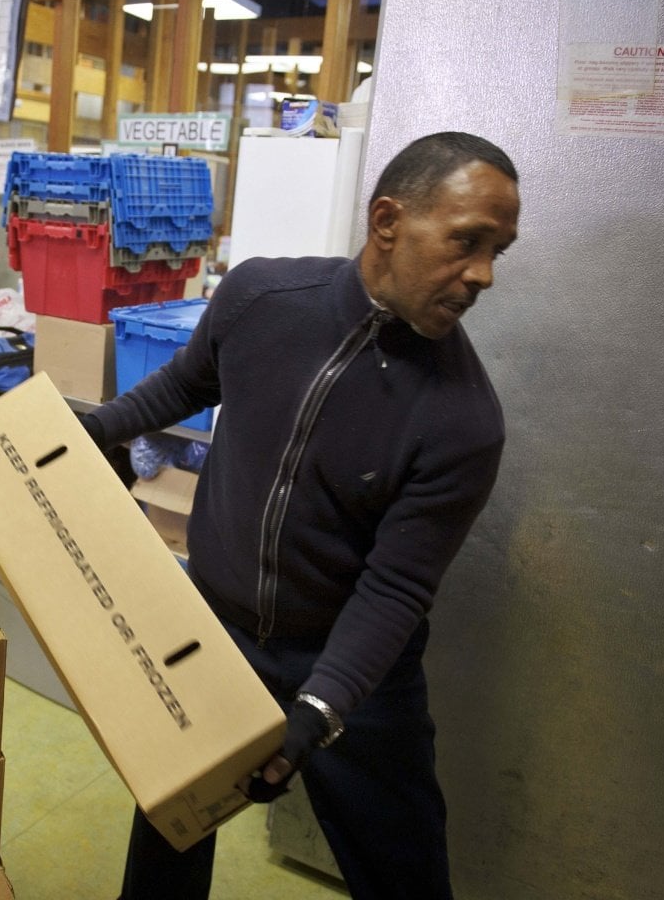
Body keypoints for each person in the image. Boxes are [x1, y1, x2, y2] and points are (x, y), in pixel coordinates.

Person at [82, 131, 520, 900]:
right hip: (215, 632)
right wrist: (88, 431)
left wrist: (319, 707)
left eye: (497, 252)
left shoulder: (463, 419)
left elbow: (396, 587)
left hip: (354, 668)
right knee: (170, 831)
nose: (482, 274)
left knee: (404, 871)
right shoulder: (260, 298)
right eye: (467, 242)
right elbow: (186, 385)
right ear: (388, 221)